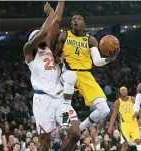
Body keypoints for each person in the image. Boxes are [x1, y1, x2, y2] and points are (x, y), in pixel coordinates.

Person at [23, 1, 80, 151]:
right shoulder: (29, 51)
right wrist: (49, 14)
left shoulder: (48, 47)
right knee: (44, 142)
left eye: (44, 37)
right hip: (43, 101)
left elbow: (57, 22)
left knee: (74, 133)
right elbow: (43, 32)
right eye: (37, 37)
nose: (43, 38)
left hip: (60, 100)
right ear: (32, 41)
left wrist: (60, 3)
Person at [54, 12, 119, 131]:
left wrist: (110, 58)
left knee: (104, 110)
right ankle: (65, 113)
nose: (75, 20)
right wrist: (59, 59)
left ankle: (82, 127)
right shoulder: (64, 35)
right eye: (73, 19)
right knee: (71, 76)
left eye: (79, 19)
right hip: (67, 72)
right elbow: (55, 56)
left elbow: (97, 61)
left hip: (85, 75)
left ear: (84, 24)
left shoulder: (91, 40)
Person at [108, 86, 141, 151]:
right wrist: (110, 126)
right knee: (124, 144)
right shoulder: (117, 102)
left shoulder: (132, 99)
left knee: (138, 140)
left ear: (127, 91)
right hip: (125, 125)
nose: (123, 91)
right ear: (120, 92)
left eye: (124, 90)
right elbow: (114, 115)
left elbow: (140, 110)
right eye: (122, 90)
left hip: (134, 123)